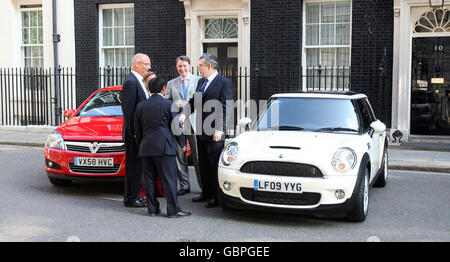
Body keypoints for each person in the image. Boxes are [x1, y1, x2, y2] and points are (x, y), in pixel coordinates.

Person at [180, 53, 233, 208]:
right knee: (203, 164)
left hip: (215, 132)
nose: (199, 69)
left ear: (209, 66)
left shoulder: (224, 82)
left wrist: (220, 129)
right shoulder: (201, 82)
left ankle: (216, 196)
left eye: (201, 66)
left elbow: (226, 107)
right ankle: (206, 192)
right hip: (201, 130)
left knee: (213, 165)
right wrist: (184, 114)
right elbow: (194, 102)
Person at [134, 77, 191, 218]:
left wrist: (141, 144)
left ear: (148, 89)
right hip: (165, 147)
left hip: (146, 147)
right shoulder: (169, 104)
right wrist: (182, 144)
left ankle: (152, 209)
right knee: (169, 179)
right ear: (164, 88)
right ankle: (173, 210)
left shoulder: (141, 106)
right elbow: (176, 127)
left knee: (149, 179)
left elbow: (138, 130)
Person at [165, 56, 201, 196]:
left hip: (194, 121)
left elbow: (200, 100)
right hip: (177, 122)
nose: (182, 69)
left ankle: (203, 187)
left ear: (190, 66)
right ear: (177, 67)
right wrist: (175, 105)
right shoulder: (171, 83)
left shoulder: (198, 81)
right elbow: (167, 102)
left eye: (185, 66)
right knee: (180, 154)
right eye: (180, 66)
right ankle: (184, 185)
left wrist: (189, 105)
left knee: (197, 155)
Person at [120, 53, 151, 208]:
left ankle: (136, 195)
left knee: (138, 167)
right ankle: (131, 198)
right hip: (134, 135)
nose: (148, 67)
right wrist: (134, 132)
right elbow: (129, 111)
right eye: (146, 64)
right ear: (136, 64)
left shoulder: (138, 81)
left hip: (139, 133)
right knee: (134, 167)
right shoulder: (131, 82)